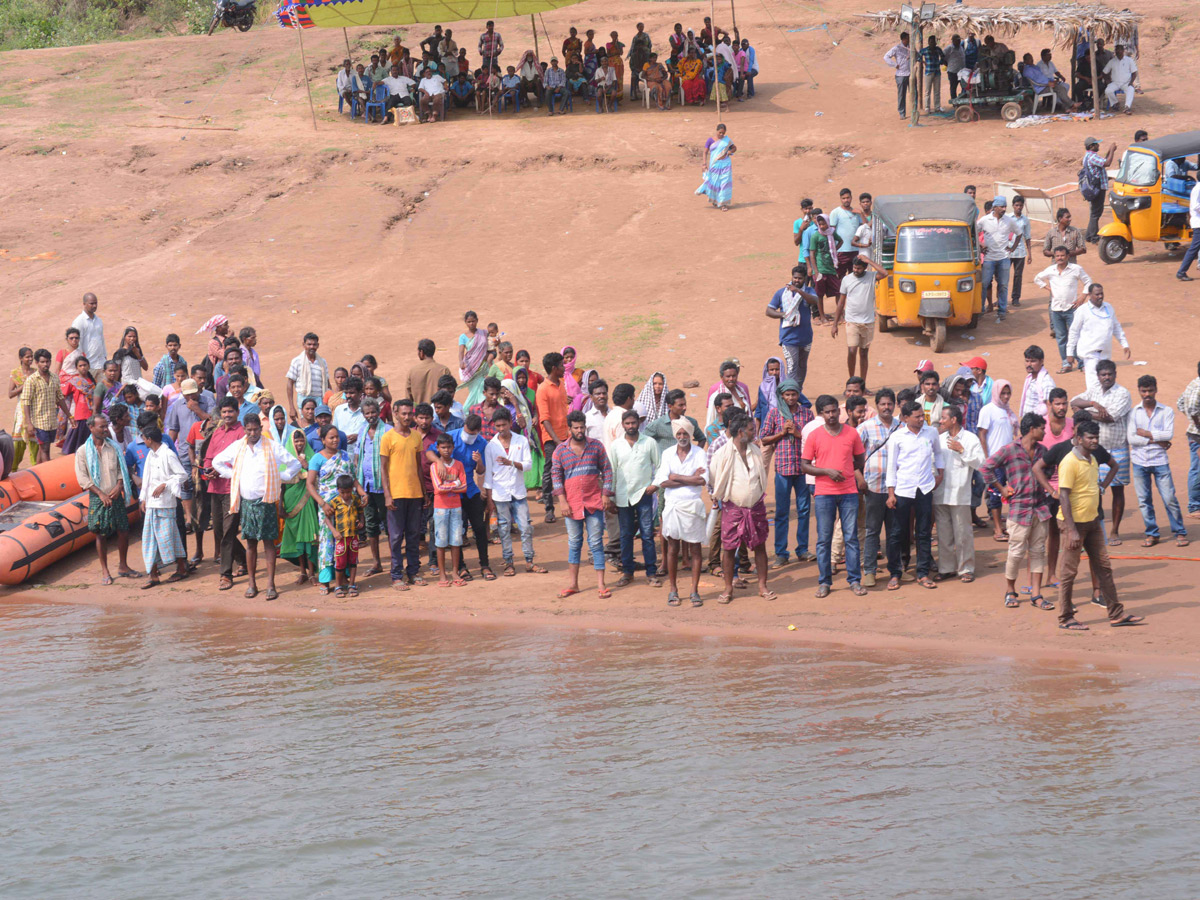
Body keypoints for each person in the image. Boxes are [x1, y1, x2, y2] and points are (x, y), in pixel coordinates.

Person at [1057, 420, 1144, 629]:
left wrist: (1102, 487)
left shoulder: (1093, 459)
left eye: (1096, 437)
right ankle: (1065, 618)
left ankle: (1116, 613)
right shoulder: (1069, 462)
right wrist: (1071, 530)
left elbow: (1104, 475)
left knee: (1104, 567)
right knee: (1069, 572)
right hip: (1073, 524)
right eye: (1090, 438)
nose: (1095, 441)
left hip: (1093, 521)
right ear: (1079, 439)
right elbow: (1063, 496)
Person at [212, 412, 301, 600]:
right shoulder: (238, 447)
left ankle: (270, 584)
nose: (253, 433)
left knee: (269, 544)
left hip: (267, 503)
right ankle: (252, 584)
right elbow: (217, 462)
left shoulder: (271, 446)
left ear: (261, 429)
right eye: (249, 430)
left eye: (256, 430)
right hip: (247, 503)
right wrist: (233, 474)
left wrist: (281, 477)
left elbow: (294, 464)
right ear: (244, 430)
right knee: (251, 544)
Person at [981, 413, 1052, 609]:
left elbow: (1049, 470)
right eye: (1041, 428)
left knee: (1038, 551)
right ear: (1032, 429)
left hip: (1039, 508)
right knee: (1016, 552)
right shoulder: (1009, 450)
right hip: (1020, 509)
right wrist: (1001, 488)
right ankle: (1010, 590)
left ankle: (1036, 594)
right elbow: (986, 468)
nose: (1044, 431)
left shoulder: (1043, 451)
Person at [802, 394, 867, 598]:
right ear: (821, 414)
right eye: (827, 412)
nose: (831, 415)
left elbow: (860, 459)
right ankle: (824, 582)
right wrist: (826, 471)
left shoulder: (851, 434)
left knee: (851, 538)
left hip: (848, 492)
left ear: (840, 412)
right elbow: (804, 465)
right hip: (824, 493)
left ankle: (855, 581)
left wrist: (846, 471)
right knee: (823, 539)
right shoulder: (814, 435)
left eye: (834, 411)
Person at [709, 412, 774, 604]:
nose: (755, 432)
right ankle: (728, 589)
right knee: (729, 549)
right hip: (733, 507)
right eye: (751, 429)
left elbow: (761, 477)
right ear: (740, 432)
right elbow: (714, 478)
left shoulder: (754, 450)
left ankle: (762, 586)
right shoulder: (722, 453)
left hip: (756, 506)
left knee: (760, 546)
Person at [552, 410, 614, 599]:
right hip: (571, 505)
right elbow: (556, 478)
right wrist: (562, 502)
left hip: (594, 502)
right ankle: (573, 584)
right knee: (574, 544)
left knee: (596, 543)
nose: (579, 430)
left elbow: (607, 470)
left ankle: (601, 584)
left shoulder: (596, 446)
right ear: (569, 428)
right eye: (576, 427)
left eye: (582, 427)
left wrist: (605, 495)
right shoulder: (560, 451)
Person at [884, 400, 944, 590]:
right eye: (917, 417)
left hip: (925, 488)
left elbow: (938, 453)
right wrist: (891, 493)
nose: (921, 420)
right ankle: (895, 573)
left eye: (922, 416)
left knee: (924, 532)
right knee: (897, 533)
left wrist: (940, 474)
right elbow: (891, 466)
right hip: (902, 490)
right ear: (905, 418)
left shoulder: (931, 433)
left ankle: (922, 573)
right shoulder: (897, 437)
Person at [1072, 359, 1133, 543]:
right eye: (1103, 374)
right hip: (1095, 449)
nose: (1107, 377)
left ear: (1115, 374)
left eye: (1109, 374)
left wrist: (1085, 413)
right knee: (1093, 490)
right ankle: (1095, 532)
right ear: (1098, 376)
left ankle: (1114, 531)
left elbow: (1111, 417)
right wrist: (1093, 403)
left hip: (1117, 447)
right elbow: (1073, 402)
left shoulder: (1123, 393)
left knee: (1117, 490)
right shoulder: (1094, 391)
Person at [1128, 375, 1188, 548]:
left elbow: (1168, 434)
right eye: (1144, 391)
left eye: (1150, 390)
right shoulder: (1133, 413)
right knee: (1144, 500)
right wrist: (1156, 439)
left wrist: (1145, 434)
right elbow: (1132, 439)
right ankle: (1152, 533)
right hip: (1139, 462)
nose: (1147, 394)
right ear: (1139, 391)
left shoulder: (1166, 411)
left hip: (1160, 461)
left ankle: (1180, 532)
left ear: (1156, 390)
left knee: (1169, 497)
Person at [483, 407, 544, 577]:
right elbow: (488, 475)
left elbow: (528, 465)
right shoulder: (491, 446)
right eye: (498, 426)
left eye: (504, 425)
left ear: (510, 423)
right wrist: (489, 500)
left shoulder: (521, 441)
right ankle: (509, 563)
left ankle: (529, 561)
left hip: (518, 491)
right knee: (504, 528)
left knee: (525, 527)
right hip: (500, 493)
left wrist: (511, 463)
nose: (501, 429)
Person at [76, 414, 137, 584]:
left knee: (123, 530)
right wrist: (101, 494)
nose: (105, 430)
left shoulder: (113, 447)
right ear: (91, 428)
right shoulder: (82, 451)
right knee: (100, 534)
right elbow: (83, 478)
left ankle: (123, 566)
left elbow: (121, 469)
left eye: (105, 426)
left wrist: (119, 486)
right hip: (97, 497)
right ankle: (105, 571)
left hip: (115, 494)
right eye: (101, 427)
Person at [759, 378, 812, 568]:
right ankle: (781, 553)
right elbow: (763, 439)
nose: (790, 398)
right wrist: (782, 433)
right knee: (782, 512)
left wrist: (798, 434)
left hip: (803, 469)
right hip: (783, 469)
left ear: (799, 395)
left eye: (794, 394)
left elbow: (813, 439)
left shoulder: (807, 414)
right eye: (787, 394)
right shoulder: (774, 414)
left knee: (804, 510)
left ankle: (803, 549)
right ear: (781, 395)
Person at [655, 420, 707, 607]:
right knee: (672, 548)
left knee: (695, 549)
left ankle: (694, 591)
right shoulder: (668, 453)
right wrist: (689, 478)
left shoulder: (700, 453)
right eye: (679, 434)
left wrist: (676, 476)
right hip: (673, 506)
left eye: (685, 434)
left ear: (690, 435)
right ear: (675, 435)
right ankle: (673, 590)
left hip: (692, 505)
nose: (682, 437)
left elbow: (702, 480)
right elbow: (662, 482)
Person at [609, 409, 661, 588]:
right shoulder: (616, 445)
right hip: (623, 496)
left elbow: (660, 466)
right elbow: (612, 472)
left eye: (633, 423)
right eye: (627, 423)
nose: (631, 426)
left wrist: (655, 485)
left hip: (643, 494)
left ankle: (651, 573)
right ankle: (627, 573)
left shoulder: (649, 442)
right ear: (623, 425)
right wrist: (610, 496)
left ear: (639, 423)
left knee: (647, 534)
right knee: (625, 535)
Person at [933, 404, 984, 582]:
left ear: (953, 419)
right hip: (940, 494)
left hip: (960, 493)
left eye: (944, 418)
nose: (941, 421)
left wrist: (962, 450)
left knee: (963, 534)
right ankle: (946, 568)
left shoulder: (970, 439)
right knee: (943, 533)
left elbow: (980, 463)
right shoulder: (939, 440)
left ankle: (966, 568)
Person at [378, 398, 425, 588]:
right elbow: (383, 468)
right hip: (396, 494)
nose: (407, 417)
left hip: (415, 494)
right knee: (396, 537)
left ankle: (413, 572)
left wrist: (424, 492)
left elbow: (419, 467)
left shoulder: (416, 437)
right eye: (403, 414)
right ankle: (396, 575)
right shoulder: (387, 437)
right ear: (395, 414)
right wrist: (387, 495)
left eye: (409, 413)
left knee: (414, 535)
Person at [857, 388, 900, 588]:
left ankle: (895, 570)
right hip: (873, 486)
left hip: (896, 487)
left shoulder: (901, 427)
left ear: (894, 405)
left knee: (894, 531)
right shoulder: (866, 427)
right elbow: (853, 454)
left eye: (890, 403)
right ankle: (870, 571)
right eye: (882, 404)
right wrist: (859, 478)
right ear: (876, 406)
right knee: (872, 530)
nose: (886, 407)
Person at [448, 414, 493, 581]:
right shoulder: (451, 437)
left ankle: (485, 565)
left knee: (480, 528)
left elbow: (481, 471)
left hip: (471, 490)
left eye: (472, 433)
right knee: (457, 530)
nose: (469, 435)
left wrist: (479, 461)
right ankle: (461, 567)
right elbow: (434, 453)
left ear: (478, 431)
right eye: (467, 431)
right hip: (453, 491)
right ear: (463, 426)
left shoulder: (481, 443)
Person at [1035, 246, 1093, 374]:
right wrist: (1047, 288)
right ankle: (1066, 363)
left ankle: (1081, 363)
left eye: (1062, 256)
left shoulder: (1076, 269)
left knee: (1076, 336)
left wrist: (1083, 296)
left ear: (1067, 256)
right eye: (1057, 256)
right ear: (1054, 257)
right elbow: (1037, 278)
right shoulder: (1050, 270)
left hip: (1072, 309)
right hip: (1056, 310)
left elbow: (1088, 282)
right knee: (1061, 338)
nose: (1060, 258)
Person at [833, 253, 888, 382]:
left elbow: (885, 273)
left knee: (864, 353)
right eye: (854, 267)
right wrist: (835, 324)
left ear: (865, 267)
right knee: (852, 350)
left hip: (868, 322)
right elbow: (841, 302)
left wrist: (869, 260)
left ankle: (862, 384)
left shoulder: (872, 276)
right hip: (852, 321)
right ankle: (852, 382)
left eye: (859, 268)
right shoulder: (847, 279)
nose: (855, 270)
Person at [352, 397, 391, 577]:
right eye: (367, 413)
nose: (370, 416)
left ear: (379, 411)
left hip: (384, 487)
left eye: (373, 412)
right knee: (371, 525)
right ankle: (376, 563)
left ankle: (396, 561)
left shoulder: (388, 431)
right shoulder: (363, 431)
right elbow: (357, 457)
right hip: (366, 486)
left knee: (391, 525)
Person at [1067, 283, 1131, 391]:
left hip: (1105, 354)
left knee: (1107, 384)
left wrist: (1124, 344)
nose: (1100, 296)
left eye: (1102, 294)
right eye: (1097, 294)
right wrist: (1069, 353)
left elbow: (1116, 327)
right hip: (1090, 354)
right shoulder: (1082, 311)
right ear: (1090, 295)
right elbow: (1074, 332)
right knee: (1093, 386)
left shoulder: (1108, 308)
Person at [766, 265, 816, 391]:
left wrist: (799, 291)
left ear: (805, 279)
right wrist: (783, 314)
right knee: (792, 367)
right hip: (788, 338)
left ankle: (797, 391)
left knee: (802, 366)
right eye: (795, 278)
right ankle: (791, 393)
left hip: (806, 337)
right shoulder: (782, 293)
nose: (796, 281)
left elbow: (815, 301)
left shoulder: (808, 291)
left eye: (800, 278)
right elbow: (769, 311)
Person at [429, 434, 467, 588]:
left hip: (456, 507)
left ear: (453, 447)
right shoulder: (435, 466)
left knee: (456, 540)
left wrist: (449, 484)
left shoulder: (458, 464)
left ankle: (455, 572)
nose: (446, 450)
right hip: (440, 508)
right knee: (441, 541)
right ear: (438, 448)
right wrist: (455, 483)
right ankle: (443, 573)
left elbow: (464, 487)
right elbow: (438, 488)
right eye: (443, 447)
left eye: (449, 447)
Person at [535, 351, 570, 523]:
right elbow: (544, 419)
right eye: (562, 365)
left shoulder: (562, 384)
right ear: (554, 368)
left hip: (566, 435)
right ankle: (549, 508)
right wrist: (556, 440)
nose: (565, 367)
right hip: (552, 439)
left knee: (568, 470)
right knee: (550, 471)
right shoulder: (543, 389)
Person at [21, 349, 70, 463]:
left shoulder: (54, 378)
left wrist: (70, 416)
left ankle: (37, 472)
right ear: (37, 363)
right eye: (42, 362)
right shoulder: (32, 380)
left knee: (42, 448)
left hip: (51, 420)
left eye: (47, 361)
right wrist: (28, 423)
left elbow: (60, 398)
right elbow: (26, 401)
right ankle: (48, 476)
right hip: (39, 421)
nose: (45, 364)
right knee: (45, 449)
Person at [978, 196, 1019, 322]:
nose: (1004, 209)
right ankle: (980, 309)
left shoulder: (1009, 221)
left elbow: (1019, 233)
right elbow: (972, 233)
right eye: (1001, 207)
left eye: (1005, 206)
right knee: (984, 284)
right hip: (989, 258)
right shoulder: (984, 220)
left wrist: (1012, 249)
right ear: (994, 207)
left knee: (1003, 285)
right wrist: (980, 246)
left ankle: (1001, 310)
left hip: (1004, 258)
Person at [285, 332, 329, 425]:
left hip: (319, 399)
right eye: (309, 344)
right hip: (303, 399)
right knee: (305, 424)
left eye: (314, 344)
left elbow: (327, 383)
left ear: (318, 345)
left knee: (320, 424)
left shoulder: (322, 362)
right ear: (304, 345)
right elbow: (290, 383)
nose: (311, 347)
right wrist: (291, 407)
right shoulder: (297, 361)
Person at [1081, 137, 1118, 243]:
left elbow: (1103, 162)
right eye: (1096, 144)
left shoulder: (1089, 156)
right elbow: (1107, 163)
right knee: (1096, 213)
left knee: (1094, 212)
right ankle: (1093, 237)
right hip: (1097, 188)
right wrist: (1111, 150)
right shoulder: (1092, 157)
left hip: (1094, 187)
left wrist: (1110, 151)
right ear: (1091, 146)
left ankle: (1089, 235)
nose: (1098, 145)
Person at [696, 124, 735, 211]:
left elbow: (734, 148)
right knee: (715, 183)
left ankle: (723, 204)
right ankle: (714, 199)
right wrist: (704, 164)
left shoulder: (727, 140)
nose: (721, 134)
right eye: (720, 132)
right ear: (716, 131)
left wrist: (729, 152)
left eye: (723, 133)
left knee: (724, 184)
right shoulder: (710, 140)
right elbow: (705, 152)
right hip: (714, 165)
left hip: (726, 165)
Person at [456, 310, 490, 410]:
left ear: (477, 321)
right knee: (474, 390)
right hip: (471, 368)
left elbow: (491, 344)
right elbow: (461, 352)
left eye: (473, 321)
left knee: (481, 389)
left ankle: (474, 410)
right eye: (469, 322)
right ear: (465, 322)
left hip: (484, 367)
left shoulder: (483, 333)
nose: (471, 324)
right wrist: (461, 362)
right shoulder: (462, 337)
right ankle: (473, 410)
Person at [71, 292, 106, 371]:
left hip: (101, 364)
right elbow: (76, 345)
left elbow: (101, 340)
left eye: (96, 303)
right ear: (84, 304)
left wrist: (104, 356)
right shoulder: (79, 322)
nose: (94, 306)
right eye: (91, 303)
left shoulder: (98, 321)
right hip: (88, 366)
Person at [1019, 345, 1056, 417]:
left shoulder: (1046, 382)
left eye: (1033, 361)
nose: (1029, 364)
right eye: (1027, 361)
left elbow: (1049, 407)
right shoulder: (1029, 378)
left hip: (1038, 424)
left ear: (1041, 361)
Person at [1175, 179, 1200, 282]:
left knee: (1194, 248)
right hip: (1198, 223)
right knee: (1194, 248)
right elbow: (1195, 206)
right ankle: (1181, 272)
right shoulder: (1198, 189)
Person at [1102, 44, 1137, 114]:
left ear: (1123, 51)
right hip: (1115, 83)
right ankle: (1115, 103)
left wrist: (1131, 83)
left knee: (1131, 89)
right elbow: (1104, 72)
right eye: (1116, 50)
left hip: (1126, 83)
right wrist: (1108, 82)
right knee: (1108, 90)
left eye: (1119, 50)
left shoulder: (1129, 60)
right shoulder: (1112, 61)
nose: (1118, 52)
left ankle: (1127, 107)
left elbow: (1134, 73)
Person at [884, 32, 912, 119]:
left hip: (910, 74)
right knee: (901, 94)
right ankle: (901, 112)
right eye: (907, 38)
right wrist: (895, 65)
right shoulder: (897, 48)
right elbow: (886, 57)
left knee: (914, 93)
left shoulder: (910, 48)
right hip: (901, 75)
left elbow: (917, 55)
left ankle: (914, 110)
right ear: (903, 39)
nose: (909, 40)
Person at [920, 34, 945, 112]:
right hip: (928, 72)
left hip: (937, 72)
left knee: (937, 91)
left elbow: (943, 57)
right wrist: (923, 62)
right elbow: (918, 57)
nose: (932, 43)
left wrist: (940, 62)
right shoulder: (925, 50)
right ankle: (927, 107)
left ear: (935, 42)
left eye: (933, 42)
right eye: (931, 42)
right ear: (928, 42)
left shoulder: (938, 49)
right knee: (927, 91)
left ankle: (937, 107)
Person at [628, 23, 652, 99]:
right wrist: (635, 70)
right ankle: (633, 94)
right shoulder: (635, 38)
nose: (641, 28)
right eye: (640, 27)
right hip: (636, 70)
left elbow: (650, 45)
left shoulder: (646, 36)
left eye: (642, 27)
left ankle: (651, 93)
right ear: (637, 28)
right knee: (633, 77)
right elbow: (631, 65)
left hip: (645, 70)